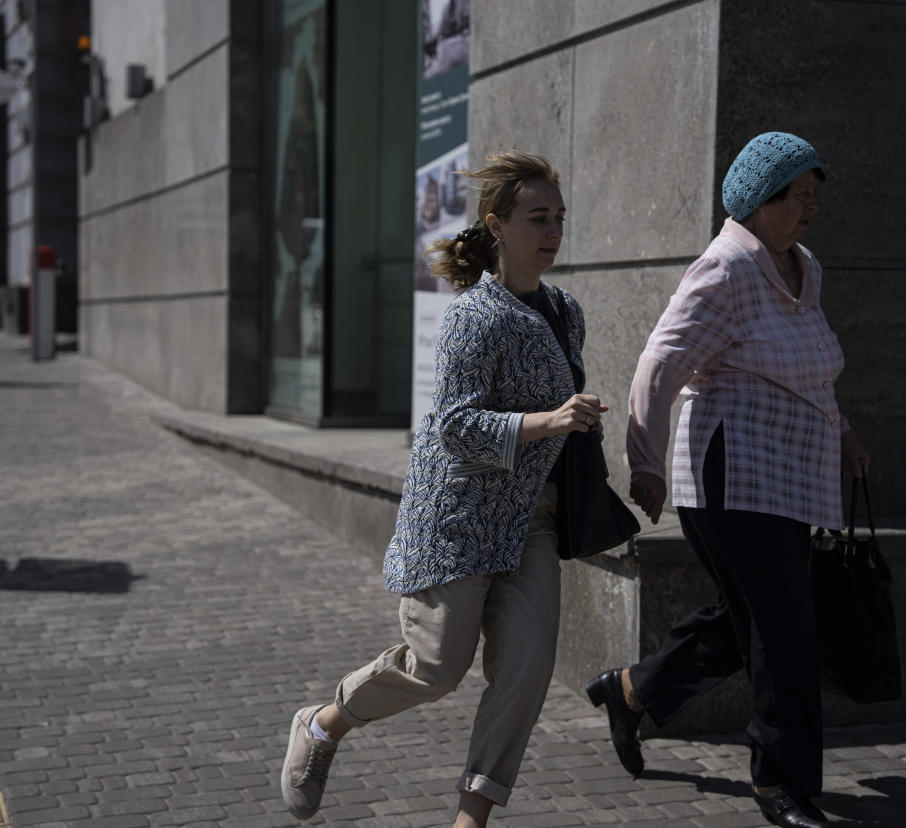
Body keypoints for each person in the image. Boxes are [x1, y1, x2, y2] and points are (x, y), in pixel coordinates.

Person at [280, 151, 607, 827]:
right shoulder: (472, 316)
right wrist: (547, 421)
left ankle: (470, 819)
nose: (552, 231)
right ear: (498, 225)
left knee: (525, 671)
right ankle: (323, 724)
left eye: (559, 218)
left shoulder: (566, 310)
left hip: (533, 522)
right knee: (435, 670)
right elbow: (455, 425)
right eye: (537, 218)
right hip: (458, 519)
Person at [585, 132, 870, 828]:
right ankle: (782, 786)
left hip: (790, 474)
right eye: (798, 197)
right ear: (758, 202)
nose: (810, 209)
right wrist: (645, 462)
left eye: (814, 197)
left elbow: (812, 369)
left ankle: (631, 692)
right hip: (732, 474)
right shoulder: (726, 269)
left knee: (755, 623)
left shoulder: (804, 268)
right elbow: (660, 363)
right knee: (784, 631)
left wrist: (843, 434)